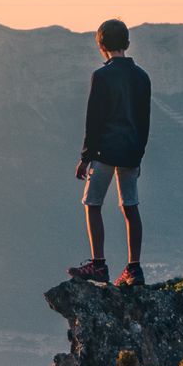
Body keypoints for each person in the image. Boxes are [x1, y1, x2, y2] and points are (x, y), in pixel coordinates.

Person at [68, 19, 151, 287]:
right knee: (130, 206)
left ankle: (98, 264)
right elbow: (144, 121)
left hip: (104, 151)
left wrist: (85, 157)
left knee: (92, 204)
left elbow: (94, 120)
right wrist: (138, 154)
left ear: (101, 46)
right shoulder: (142, 77)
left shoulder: (101, 76)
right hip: (130, 152)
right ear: (127, 44)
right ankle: (134, 268)